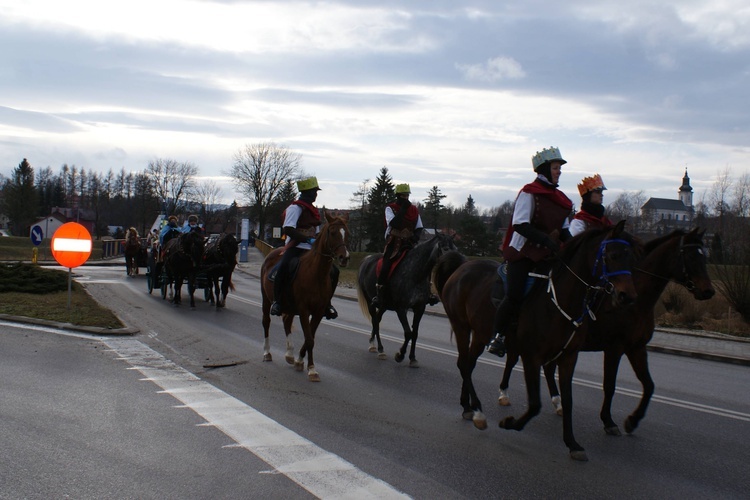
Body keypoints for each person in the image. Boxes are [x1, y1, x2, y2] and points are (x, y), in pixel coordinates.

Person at [487, 147, 574, 357]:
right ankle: (498, 336)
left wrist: (573, 248)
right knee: (515, 294)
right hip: (523, 252)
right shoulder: (529, 193)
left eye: (559, 168)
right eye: (555, 168)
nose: (559, 172)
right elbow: (520, 224)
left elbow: (564, 231)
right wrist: (546, 240)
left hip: (548, 253)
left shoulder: (562, 200)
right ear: (545, 169)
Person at [270, 176, 338, 319]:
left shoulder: (313, 210)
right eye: (314, 191)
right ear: (306, 192)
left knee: (334, 271)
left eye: (316, 191)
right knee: (283, 267)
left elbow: (317, 229)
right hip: (296, 247)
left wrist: (319, 240)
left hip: (312, 249)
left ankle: (327, 303)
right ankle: (277, 302)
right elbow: (288, 229)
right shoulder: (295, 208)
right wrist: (307, 239)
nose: (316, 194)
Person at [371, 183, 437, 308]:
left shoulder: (414, 210)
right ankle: (379, 295)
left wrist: (414, 237)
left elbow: (419, 227)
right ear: (398, 196)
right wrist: (403, 210)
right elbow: (394, 223)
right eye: (403, 196)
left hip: (410, 242)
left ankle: (428, 292)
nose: (405, 198)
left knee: (424, 263)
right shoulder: (390, 208)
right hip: (394, 241)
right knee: (386, 264)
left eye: (407, 195)